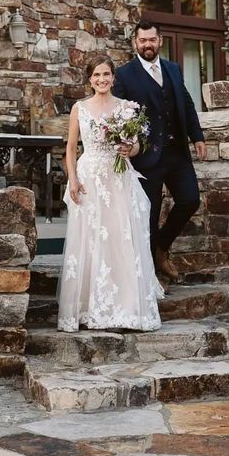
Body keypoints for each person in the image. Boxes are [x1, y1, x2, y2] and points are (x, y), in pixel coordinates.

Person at [57, 53, 162, 332]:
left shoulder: (126, 108)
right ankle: (88, 307)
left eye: (106, 74)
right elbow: (70, 147)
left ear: (113, 78)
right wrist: (72, 179)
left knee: (119, 237)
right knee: (91, 239)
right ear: (89, 80)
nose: (101, 79)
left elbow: (138, 145)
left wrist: (131, 149)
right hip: (90, 177)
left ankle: (126, 306)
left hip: (118, 178)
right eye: (96, 75)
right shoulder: (80, 108)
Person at [113, 19, 206, 283]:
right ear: (135, 42)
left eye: (152, 40)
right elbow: (118, 115)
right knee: (149, 215)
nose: (147, 45)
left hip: (177, 152)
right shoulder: (124, 74)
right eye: (142, 40)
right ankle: (150, 279)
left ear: (160, 40)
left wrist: (197, 136)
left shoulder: (173, 69)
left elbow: (186, 103)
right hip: (146, 157)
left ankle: (161, 247)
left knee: (190, 200)